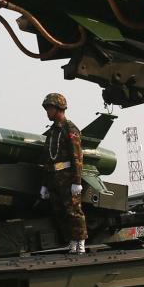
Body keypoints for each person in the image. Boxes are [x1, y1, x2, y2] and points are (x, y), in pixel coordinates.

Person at [39, 93, 88, 253]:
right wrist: (45, 184)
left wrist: (77, 181)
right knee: (59, 211)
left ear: (59, 108)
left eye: (50, 108)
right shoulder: (52, 132)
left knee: (74, 211)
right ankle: (71, 241)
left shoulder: (70, 129)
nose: (47, 112)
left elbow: (77, 156)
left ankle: (80, 242)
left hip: (67, 177)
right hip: (54, 178)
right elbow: (48, 159)